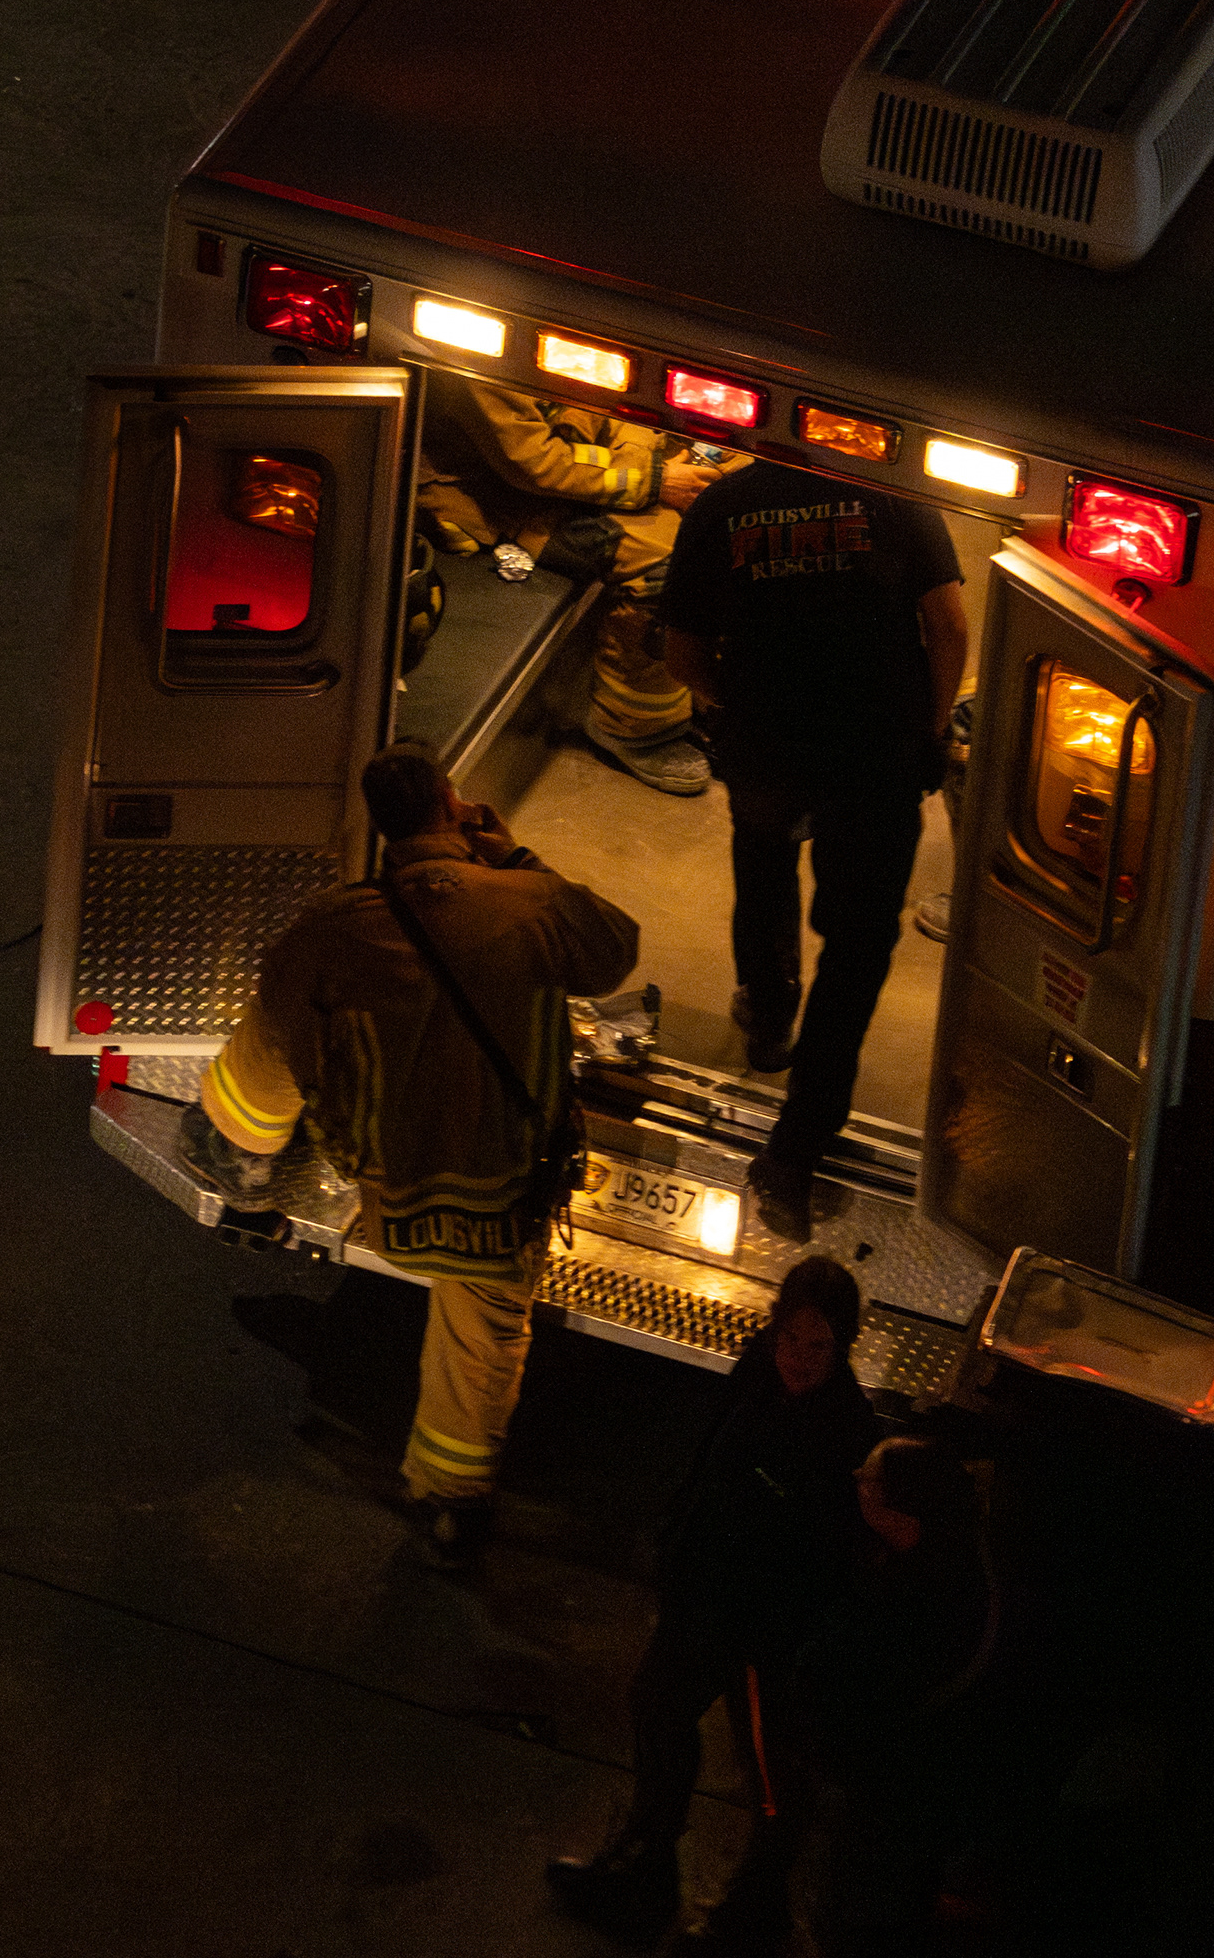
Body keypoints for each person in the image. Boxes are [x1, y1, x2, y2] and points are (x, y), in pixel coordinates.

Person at [183, 741, 639, 1567]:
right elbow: (615, 952)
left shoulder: (337, 926)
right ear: (452, 805)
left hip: (386, 1190)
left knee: (281, 1011)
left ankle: (236, 1141)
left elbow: (285, 1012)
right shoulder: (530, 904)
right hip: (495, 1201)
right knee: (481, 1339)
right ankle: (453, 1500)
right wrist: (514, 855)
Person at [657, 462, 967, 1235]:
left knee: (761, 867)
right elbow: (950, 625)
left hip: (767, 748)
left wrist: (739, 707)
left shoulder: (724, 503)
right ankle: (797, 1145)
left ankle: (767, 1024)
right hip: (875, 756)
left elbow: (680, 649)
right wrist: (928, 729)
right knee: (858, 946)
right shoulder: (900, 498)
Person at [546, 1256, 881, 1940]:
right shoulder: (757, 1374)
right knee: (657, 1710)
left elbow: (828, 1555)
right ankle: (645, 1867)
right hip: (703, 1601)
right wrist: (676, 1545)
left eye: (819, 1348)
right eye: (791, 1339)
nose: (799, 1359)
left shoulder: (845, 1432)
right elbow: (712, 1463)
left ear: (842, 1348)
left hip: (765, 1634)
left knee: (770, 1779)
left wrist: (780, 1638)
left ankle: (751, 1920)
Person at [686, 1435, 998, 1958]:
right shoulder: (937, 1557)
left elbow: (863, 1679)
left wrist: (803, 1706)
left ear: (897, 1500)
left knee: (793, 1831)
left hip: (861, 1765)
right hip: (866, 1762)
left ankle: (758, 1947)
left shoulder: (920, 1597)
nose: (856, 1479)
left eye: (869, 1476)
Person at [419, 379, 726, 795]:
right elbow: (533, 463)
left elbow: (621, 399)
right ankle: (632, 727)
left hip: (586, 473)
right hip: (503, 498)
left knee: (727, 504)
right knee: (666, 567)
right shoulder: (469, 346)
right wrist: (654, 481)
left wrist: (641, 461)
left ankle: (705, 691)